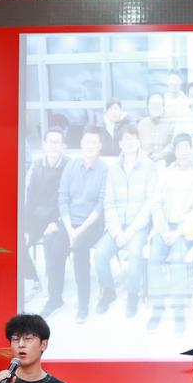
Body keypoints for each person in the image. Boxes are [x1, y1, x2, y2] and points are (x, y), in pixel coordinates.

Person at [95, 123, 157, 318]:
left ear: (139, 141)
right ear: (120, 143)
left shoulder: (149, 167)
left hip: (138, 226)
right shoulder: (113, 168)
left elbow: (150, 203)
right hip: (116, 226)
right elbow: (109, 203)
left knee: (135, 253)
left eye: (133, 139)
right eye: (125, 139)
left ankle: (132, 294)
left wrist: (130, 231)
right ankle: (109, 291)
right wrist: (116, 232)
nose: (129, 143)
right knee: (99, 254)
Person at [46, 125, 107, 323]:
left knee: (80, 251)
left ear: (100, 146)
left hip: (92, 224)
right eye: (87, 141)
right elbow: (63, 197)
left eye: (94, 142)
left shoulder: (104, 170)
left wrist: (79, 230)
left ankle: (83, 304)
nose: (90, 145)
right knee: (56, 251)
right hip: (70, 223)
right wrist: (69, 227)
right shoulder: (71, 166)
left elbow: (100, 205)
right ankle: (55, 299)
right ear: (81, 143)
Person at [148, 132, 193, 333]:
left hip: (185, 230)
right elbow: (156, 204)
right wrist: (164, 229)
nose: (183, 152)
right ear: (175, 151)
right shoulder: (166, 173)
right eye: (179, 148)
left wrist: (178, 232)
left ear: (191, 149)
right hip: (164, 227)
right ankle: (158, 307)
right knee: (154, 258)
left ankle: (179, 311)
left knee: (178, 262)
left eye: (186, 147)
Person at [21, 127, 68, 303]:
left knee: (51, 241)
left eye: (57, 142)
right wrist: (25, 228)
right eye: (50, 141)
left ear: (63, 146)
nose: (53, 145)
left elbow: (67, 199)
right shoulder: (36, 165)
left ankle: (52, 282)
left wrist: (57, 221)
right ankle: (33, 278)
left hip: (56, 219)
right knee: (17, 240)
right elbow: (29, 198)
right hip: (36, 219)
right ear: (44, 144)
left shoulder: (69, 166)